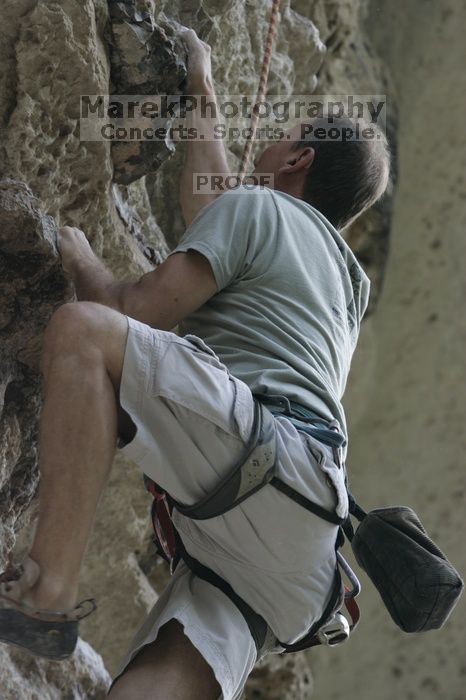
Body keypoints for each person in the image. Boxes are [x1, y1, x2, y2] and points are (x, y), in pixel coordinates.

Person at [0, 28, 390, 700]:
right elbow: (213, 205)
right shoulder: (338, 287)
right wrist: (200, 83)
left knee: (85, 333)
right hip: (302, 551)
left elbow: (139, 309)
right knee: (158, 684)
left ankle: (47, 592)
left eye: (278, 133)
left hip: (262, 463)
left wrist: (79, 256)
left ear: (296, 156)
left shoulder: (260, 211)